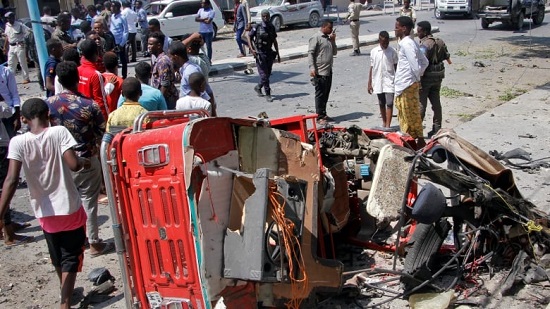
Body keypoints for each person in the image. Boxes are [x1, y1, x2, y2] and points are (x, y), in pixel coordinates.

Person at [0, 98, 90, 309]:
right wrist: (85, 162)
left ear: (22, 119)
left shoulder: (18, 142)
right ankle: (65, 302)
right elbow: (74, 164)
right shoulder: (58, 132)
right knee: (70, 256)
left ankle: (65, 289)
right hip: (69, 207)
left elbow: (11, 179)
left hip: (44, 211)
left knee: (57, 255)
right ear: (48, 116)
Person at [46, 61, 112, 259]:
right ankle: (93, 242)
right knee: (89, 201)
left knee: (69, 201)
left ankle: (76, 241)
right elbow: (103, 132)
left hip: (60, 161)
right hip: (86, 160)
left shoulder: (48, 105)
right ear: (77, 79)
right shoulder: (88, 104)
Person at [394, 16, 428, 147]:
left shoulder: (406, 43)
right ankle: (418, 140)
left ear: (404, 28)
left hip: (406, 85)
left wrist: (416, 77)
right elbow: (424, 62)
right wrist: (417, 76)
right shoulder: (410, 42)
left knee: (407, 116)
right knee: (412, 114)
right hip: (408, 84)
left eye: (397, 27)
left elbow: (415, 64)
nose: (395, 29)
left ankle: (411, 144)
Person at [417, 20, 452, 137]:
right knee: (436, 103)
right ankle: (437, 128)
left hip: (427, 78)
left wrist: (418, 79)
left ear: (425, 31)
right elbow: (448, 58)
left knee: (421, 103)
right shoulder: (440, 41)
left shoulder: (425, 45)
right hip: (438, 76)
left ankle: (417, 130)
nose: (418, 33)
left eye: (419, 31)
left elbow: (422, 62)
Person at [169, 41, 216, 108]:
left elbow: (205, 93)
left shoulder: (190, 71)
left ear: (176, 57)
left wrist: (212, 111)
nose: (170, 60)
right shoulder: (184, 69)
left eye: (170, 57)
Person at [247, 10, 280, 103]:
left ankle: (258, 87)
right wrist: (252, 49)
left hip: (269, 53)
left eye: (267, 16)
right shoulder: (257, 27)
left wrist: (278, 54)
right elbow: (249, 37)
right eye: (263, 16)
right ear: (261, 17)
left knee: (268, 73)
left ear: (269, 17)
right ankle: (268, 93)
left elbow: (274, 41)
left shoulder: (271, 27)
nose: (265, 18)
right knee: (264, 75)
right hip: (260, 54)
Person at [308, 19, 337, 123]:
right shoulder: (316, 37)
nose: (331, 30)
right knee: (320, 94)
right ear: (324, 27)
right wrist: (312, 68)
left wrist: (333, 40)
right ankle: (319, 116)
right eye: (329, 28)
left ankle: (324, 114)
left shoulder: (328, 39)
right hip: (319, 71)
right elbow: (310, 53)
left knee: (326, 93)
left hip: (328, 71)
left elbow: (334, 52)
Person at [368, 31, 398, 128]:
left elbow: (396, 66)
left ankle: (388, 125)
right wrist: (369, 83)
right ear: (379, 41)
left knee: (389, 103)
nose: (385, 44)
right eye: (383, 43)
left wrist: (398, 81)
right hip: (378, 80)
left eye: (387, 42)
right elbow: (372, 67)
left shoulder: (392, 51)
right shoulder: (374, 52)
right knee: (381, 102)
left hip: (390, 80)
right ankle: (384, 122)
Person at [78, 39, 109, 119]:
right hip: (93, 116)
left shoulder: (77, 70)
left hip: (80, 113)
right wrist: (106, 120)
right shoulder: (96, 75)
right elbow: (100, 101)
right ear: (97, 53)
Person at [149, 32, 178, 109]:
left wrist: (159, 103)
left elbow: (165, 85)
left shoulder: (163, 62)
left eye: (151, 44)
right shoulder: (157, 59)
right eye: (148, 44)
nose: (148, 47)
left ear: (158, 45)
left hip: (167, 100)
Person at [3, 12, 30, 84]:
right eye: (7, 18)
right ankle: (9, 79)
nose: (9, 20)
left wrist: (24, 40)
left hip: (19, 46)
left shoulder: (20, 25)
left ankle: (26, 78)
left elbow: (28, 32)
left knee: (22, 63)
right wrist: (5, 47)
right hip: (11, 46)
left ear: (13, 18)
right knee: (11, 63)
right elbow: (7, 37)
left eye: (10, 18)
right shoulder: (7, 26)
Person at [0, 64, 21, 139]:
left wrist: (17, 118)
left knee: (11, 140)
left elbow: (14, 94)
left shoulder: (6, 72)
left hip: (8, 114)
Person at [110, 1, 129, 78]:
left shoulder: (122, 17)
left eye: (113, 6)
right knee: (113, 60)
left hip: (120, 42)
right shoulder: (112, 16)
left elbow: (126, 31)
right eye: (111, 6)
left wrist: (122, 43)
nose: (111, 8)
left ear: (117, 7)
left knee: (123, 59)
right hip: (113, 42)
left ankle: (124, 76)